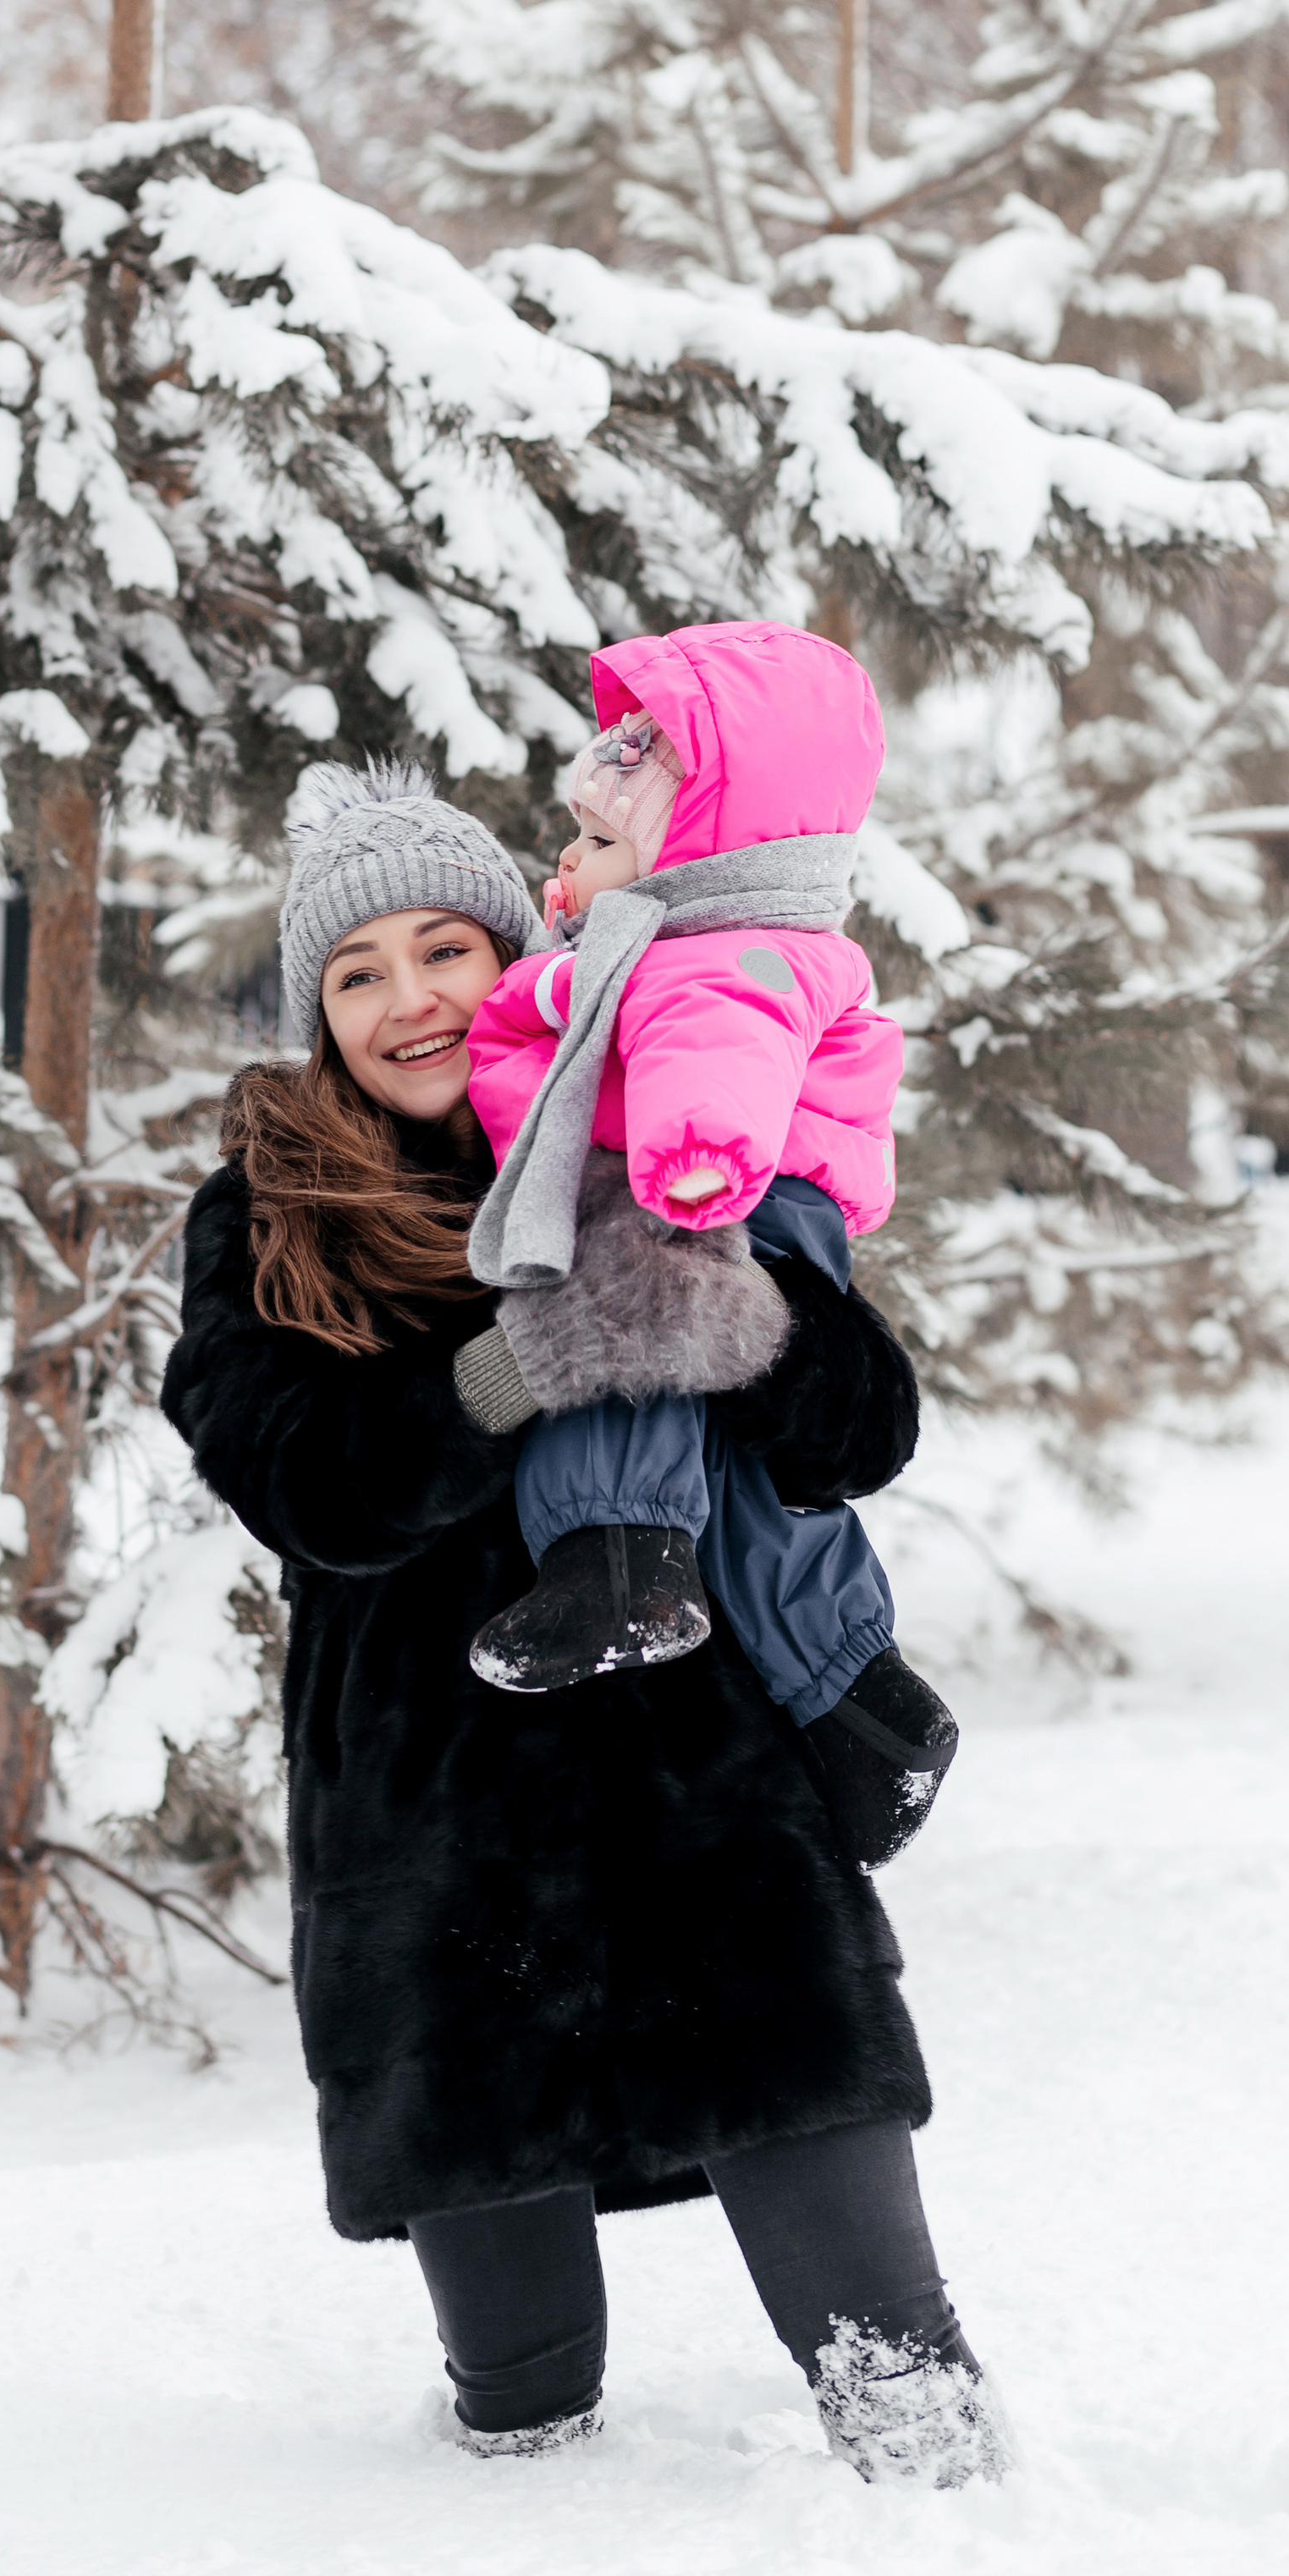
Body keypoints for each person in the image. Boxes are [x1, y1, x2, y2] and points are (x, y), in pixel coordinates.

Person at [159, 757, 1006, 2482]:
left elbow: (861, 1431)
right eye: (354, 971)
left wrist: (740, 1326)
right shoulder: (270, 1202)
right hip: (423, 1786)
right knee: (519, 2397)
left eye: (438, 950)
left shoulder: (643, 1111)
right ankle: (514, 2516)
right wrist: (515, 1368)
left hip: (689, 1765)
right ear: (315, 1011)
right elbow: (297, 1482)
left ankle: (948, 2525)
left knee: (868, 2300)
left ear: (511, 950)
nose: (405, 999)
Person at [460, 621, 958, 1865]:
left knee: (637, 1329)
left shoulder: (705, 954)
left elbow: (713, 1053)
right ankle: (851, 1692)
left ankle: (620, 1554)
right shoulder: (667, 948)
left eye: (595, 842)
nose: (563, 867)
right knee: (742, 1487)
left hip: (710, 1185)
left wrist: (686, 1167)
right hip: (730, 1180)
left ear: (695, 851)